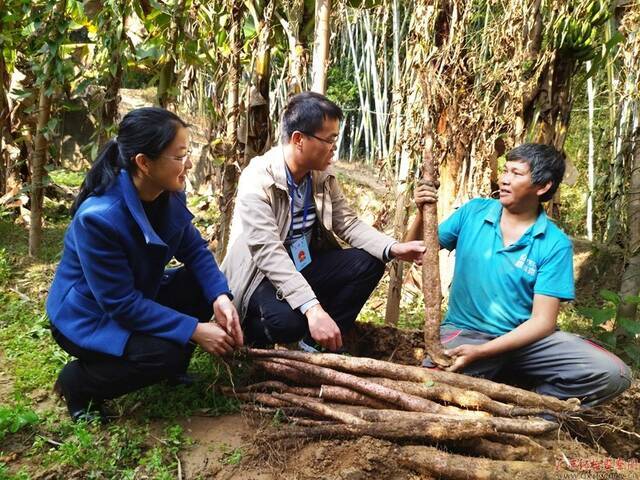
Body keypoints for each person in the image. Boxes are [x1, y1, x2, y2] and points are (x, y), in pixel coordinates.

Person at [47, 107, 243, 422]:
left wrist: (220, 297)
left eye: (187, 153)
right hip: (88, 315)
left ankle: (171, 367)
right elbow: (121, 304)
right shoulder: (98, 219)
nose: (188, 164)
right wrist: (194, 329)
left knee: (200, 286)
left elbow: (193, 248)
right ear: (144, 162)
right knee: (166, 352)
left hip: (138, 292)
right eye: (180, 157)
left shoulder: (168, 191)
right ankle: (78, 383)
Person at [408, 143, 631, 407]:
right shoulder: (474, 212)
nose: (504, 179)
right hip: (467, 334)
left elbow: (543, 322)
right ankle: (496, 381)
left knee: (614, 374)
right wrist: (422, 212)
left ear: (543, 186)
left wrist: (483, 353)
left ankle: (536, 410)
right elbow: (415, 251)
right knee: (428, 388)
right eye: (505, 171)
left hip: (526, 343)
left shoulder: (554, 243)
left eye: (516, 173)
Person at [222, 92, 426, 352]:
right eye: (329, 140)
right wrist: (312, 308)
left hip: (300, 268)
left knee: (369, 263)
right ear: (299, 140)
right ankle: (248, 335)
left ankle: (316, 345)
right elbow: (268, 252)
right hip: (260, 278)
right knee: (289, 322)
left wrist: (394, 248)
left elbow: (347, 223)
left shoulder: (320, 175)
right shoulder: (259, 178)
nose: (334, 148)